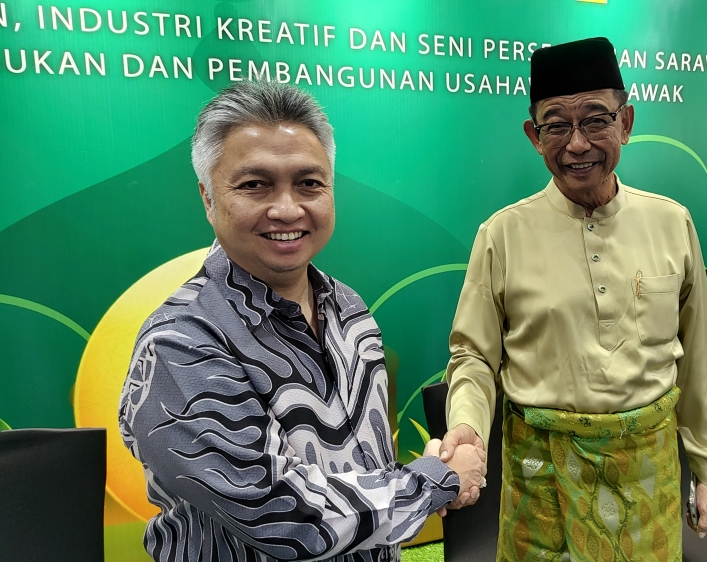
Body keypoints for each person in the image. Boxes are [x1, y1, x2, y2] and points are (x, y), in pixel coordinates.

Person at [118, 81, 485, 562]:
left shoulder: (349, 309)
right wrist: (439, 479)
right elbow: (282, 517)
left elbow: (363, 466)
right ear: (208, 197)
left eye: (309, 183)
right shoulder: (182, 342)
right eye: (255, 185)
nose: (288, 209)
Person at [440, 37, 707, 561]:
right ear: (535, 136)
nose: (577, 144)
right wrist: (465, 425)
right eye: (557, 125)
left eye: (595, 120)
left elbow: (700, 358)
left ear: (626, 122)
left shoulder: (672, 222)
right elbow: (473, 356)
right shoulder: (501, 235)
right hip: (542, 478)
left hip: (648, 472)